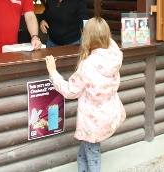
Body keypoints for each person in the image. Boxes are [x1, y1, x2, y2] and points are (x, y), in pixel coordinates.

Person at [45, 17, 126, 172]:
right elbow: (108, 40)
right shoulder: (115, 54)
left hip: (92, 121)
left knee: (93, 155)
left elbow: (70, 91)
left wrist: (53, 71)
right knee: (84, 153)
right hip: (108, 114)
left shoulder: (87, 66)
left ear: (87, 36)